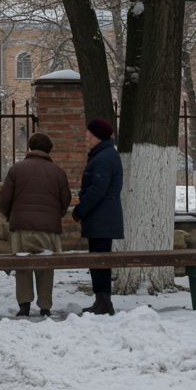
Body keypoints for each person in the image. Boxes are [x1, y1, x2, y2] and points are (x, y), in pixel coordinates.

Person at [0, 131, 72, 317]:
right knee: (45, 267)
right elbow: (66, 200)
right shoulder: (58, 173)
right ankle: (45, 307)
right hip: (48, 230)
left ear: (30, 147)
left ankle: (24, 306)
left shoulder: (16, 169)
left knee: (23, 265)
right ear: (49, 150)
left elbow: (4, 200)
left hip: (22, 227)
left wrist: (11, 216)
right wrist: (54, 215)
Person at [71, 118, 124, 316]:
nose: (87, 137)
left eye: (89, 134)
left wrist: (80, 210)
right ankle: (101, 301)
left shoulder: (103, 157)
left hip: (102, 216)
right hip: (102, 216)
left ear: (98, 136)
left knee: (100, 261)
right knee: (98, 261)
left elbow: (97, 190)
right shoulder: (105, 154)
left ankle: (104, 302)